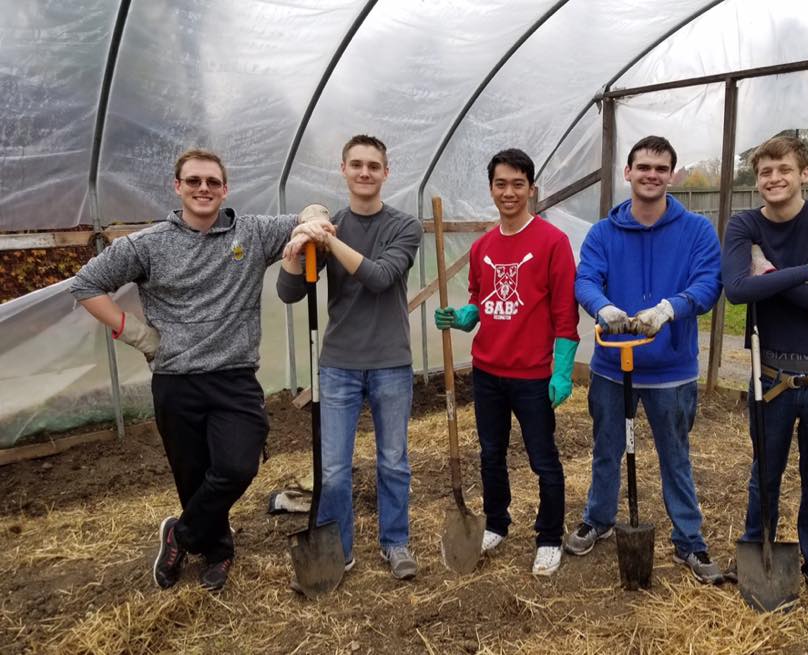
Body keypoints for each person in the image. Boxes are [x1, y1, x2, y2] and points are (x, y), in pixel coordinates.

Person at [71, 148, 326, 592]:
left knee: (237, 466)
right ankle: (218, 550)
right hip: (176, 380)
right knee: (193, 475)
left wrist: (313, 219)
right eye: (194, 181)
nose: (203, 188)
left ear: (225, 188)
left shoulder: (252, 232)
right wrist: (137, 335)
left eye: (212, 181)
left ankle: (180, 536)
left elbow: (311, 212)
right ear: (178, 187)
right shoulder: (147, 245)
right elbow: (86, 285)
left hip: (235, 377)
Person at [566, 135, 725, 584]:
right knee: (606, 451)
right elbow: (586, 280)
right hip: (614, 369)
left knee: (676, 456)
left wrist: (669, 308)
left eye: (661, 168)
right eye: (643, 167)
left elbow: (708, 283)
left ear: (671, 175)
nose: (651, 174)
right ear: (628, 173)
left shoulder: (696, 231)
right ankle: (597, 519)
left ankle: (689, 541)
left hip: (672, 372)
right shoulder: (603, 233)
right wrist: (605, 308)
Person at [722, 135, 808, 610]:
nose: (774, 178)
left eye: (783, 169)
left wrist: (772, 270)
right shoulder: (743, 223)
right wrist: (805, 272)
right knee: (764, 474)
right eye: (765, 171)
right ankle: (754, 551)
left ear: (804, 174)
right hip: (771, 375)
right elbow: (738, 290)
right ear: (757, 179)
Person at [278, 135, 422, 580]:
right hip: (337, 364)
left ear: (385, 172)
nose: (365, 172)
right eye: (356, 164)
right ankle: (337, 549)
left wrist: (326, 239)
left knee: (393, 461)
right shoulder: (330, 224)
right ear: (343, 170)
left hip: (391, 362)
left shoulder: (404, 226)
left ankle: (395, 543)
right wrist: (296, 250)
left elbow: (379, 277)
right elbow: (289, 292)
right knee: (335, 469)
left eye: (373, 166)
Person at [434, 148, 579, 577]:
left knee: (543, 459)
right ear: (491, 189)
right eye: (501, 184)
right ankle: (496, 523)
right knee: (491, 454)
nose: (509, 192)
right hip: (488, 372)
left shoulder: (553, 242)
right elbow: (483, 301)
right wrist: (463, 317)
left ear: (531, 189)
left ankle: (549, 536)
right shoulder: (483, 246)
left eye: (518, 183)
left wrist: (563, 368)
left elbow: (565, 314)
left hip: (533, 375)